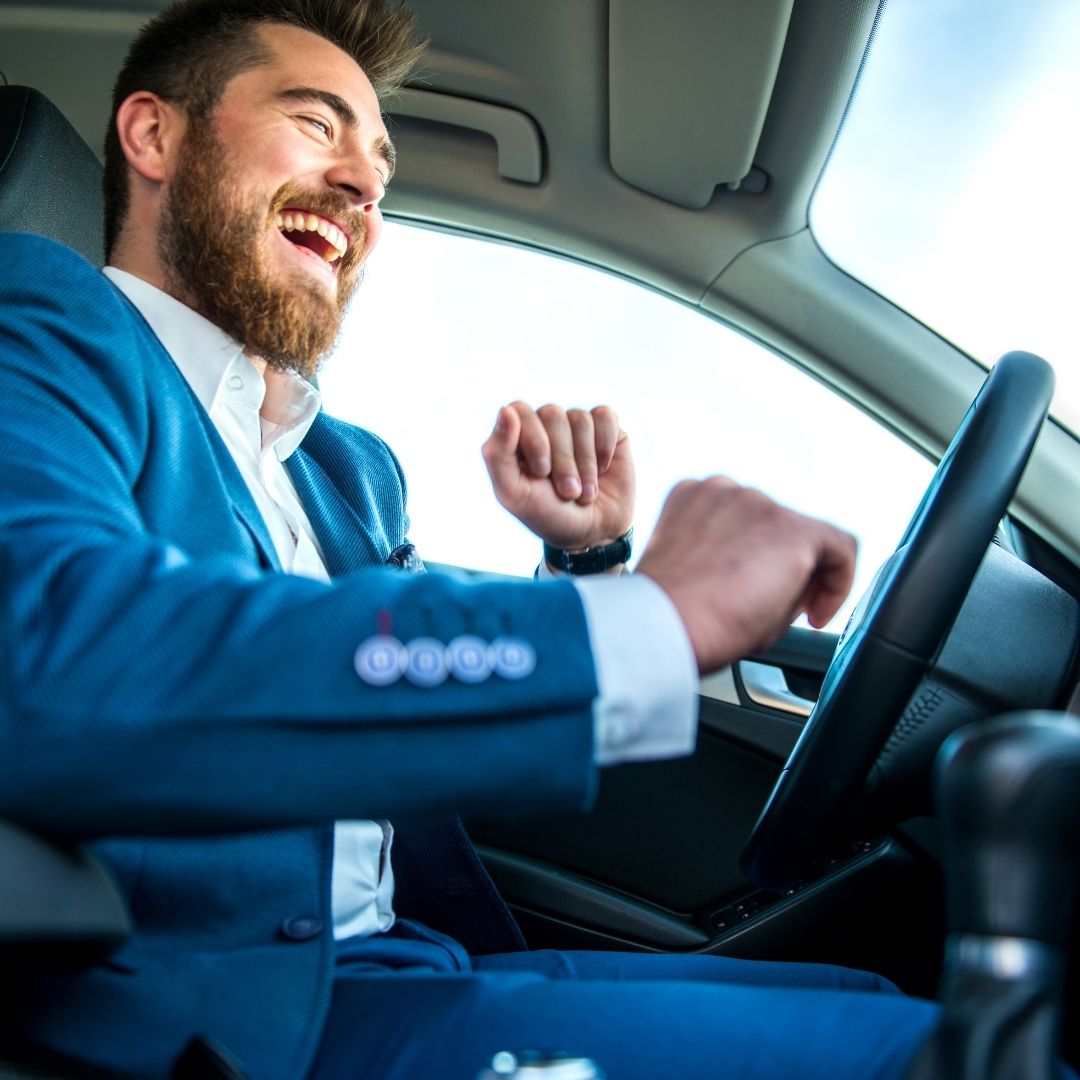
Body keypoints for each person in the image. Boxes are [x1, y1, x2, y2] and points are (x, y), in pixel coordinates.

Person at [0, 0, 941, 1076]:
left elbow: (404, 688)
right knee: (922, 1059)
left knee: (885, 999)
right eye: (318, 126)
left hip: (418, 962)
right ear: (155, 136)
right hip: (227, 1015)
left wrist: (587, 567)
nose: (363, 183)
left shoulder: (342, 467)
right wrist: (642, 623)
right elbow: (50, 651)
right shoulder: (50, 322)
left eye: (382, 165)